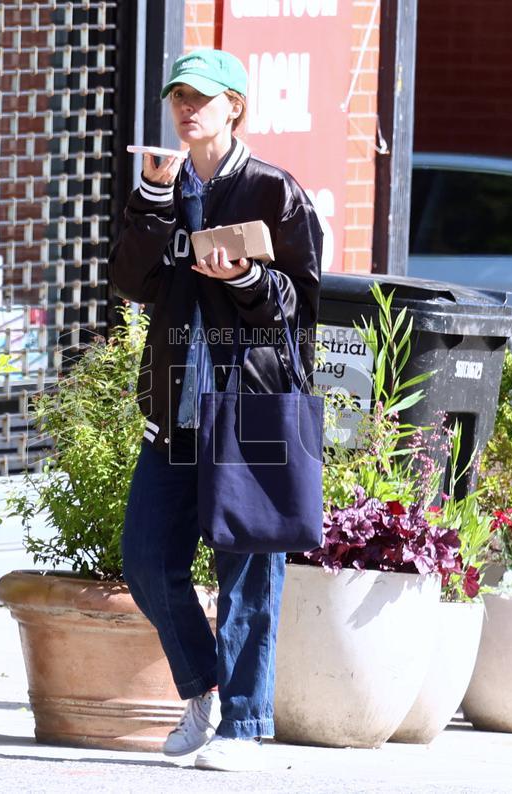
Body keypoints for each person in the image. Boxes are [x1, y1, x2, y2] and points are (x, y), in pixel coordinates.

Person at [107, 48, 323, 772]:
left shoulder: (274, 191)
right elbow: (131, 285)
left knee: (250, 571)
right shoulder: (163, 184)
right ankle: (201, 687)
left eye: (202, 96)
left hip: (252, 407)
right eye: (178, 96)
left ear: (234, 105)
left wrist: (250, 278)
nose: (187, 108)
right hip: (174, 405)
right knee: (145, 561)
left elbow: (299, 312)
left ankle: (245, 725)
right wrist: (152, 196)